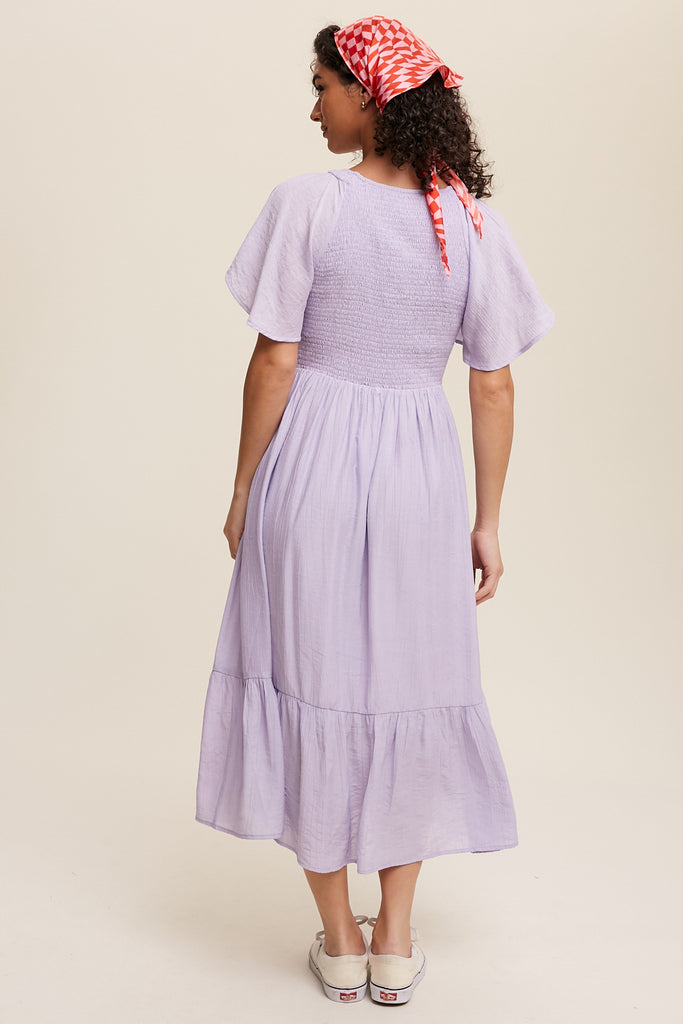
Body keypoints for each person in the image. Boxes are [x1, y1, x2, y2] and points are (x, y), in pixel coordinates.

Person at [195, 15, 555, 1005]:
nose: (313, 108)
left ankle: (339, 936)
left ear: (368, 93)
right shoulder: (473, 224)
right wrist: (486, 521)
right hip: (418, 479)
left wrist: (243, 487)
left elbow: (274, 361)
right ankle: (394, 939)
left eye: (322, 86)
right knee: (410, 685)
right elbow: (492, 383)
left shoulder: (307, 204)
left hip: (308, 465)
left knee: (302, 676)